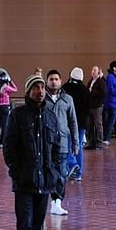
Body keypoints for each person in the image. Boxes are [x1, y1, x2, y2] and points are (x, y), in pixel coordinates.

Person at [3, 74, 66, 230]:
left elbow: (56, 148)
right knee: (25, 225)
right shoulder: (18, 115)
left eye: (42, 87)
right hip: (24, 182)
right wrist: (16, 171)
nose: (40, 91)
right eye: (35, 87)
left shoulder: (50, 116)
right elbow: (9, 146)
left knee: (38, 226)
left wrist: (55, 172)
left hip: (45, 181)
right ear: (28, 92)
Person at [43, 70, 79, 217]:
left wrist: (75, 143)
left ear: (60, 80)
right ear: (47, 81)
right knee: (46, 172)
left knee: (61, 174)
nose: (54, 81)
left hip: (63, 143)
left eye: (56, 79)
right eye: (51, 79)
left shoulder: (67, 99)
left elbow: (73, 121)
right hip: (45, 143)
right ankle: (45, 202)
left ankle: (57, 202)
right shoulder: (41, 98)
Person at [62, 67, 89, 177]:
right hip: (81, 123)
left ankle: (72, 165)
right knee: (78, 147)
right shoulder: (85, 90)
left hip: (68, 122)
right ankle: (79, 173)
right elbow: (88, 109)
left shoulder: (65, 88)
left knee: (68, 145)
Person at [0, 69, 18, 146]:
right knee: (4, 125)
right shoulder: (6, 87)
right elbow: (15, 89)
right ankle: (2, 142)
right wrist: (11, 81)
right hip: (5, 107)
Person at [86, 66, 106, 149]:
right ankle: (91, 143)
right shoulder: (90, 81)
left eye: (95, 70)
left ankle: (99, 143)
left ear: (98, 72)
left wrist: (92, 91)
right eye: (92, 69)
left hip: (97, 106)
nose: (92, 71)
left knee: (98, 125)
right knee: (89, 125)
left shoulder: (101, 82)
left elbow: (103, 93)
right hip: (90, 106)